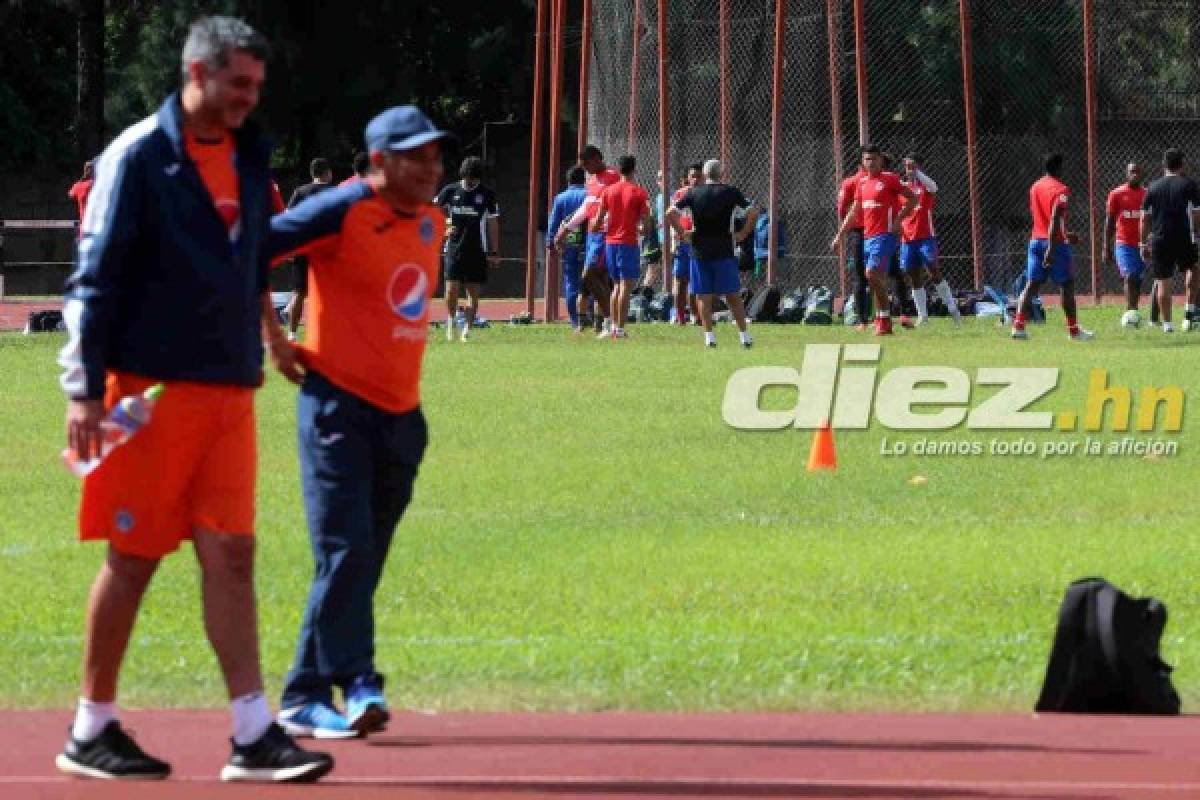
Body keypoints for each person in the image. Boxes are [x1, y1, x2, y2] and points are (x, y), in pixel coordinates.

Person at [55, 16, 332, 783]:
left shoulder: (246, 154)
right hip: (148, 389)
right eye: (239, 84)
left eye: (257, 86)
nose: (250, 99)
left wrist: (272, 337)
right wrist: (82, 393)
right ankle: (91, 728)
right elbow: (94, 277)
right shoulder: (139, 156)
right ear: (197, 73)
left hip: (227, 390)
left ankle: (253, 733)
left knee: (234, 554)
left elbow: (244, 262)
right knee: (135, 556)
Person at [266, 104, 448, 740]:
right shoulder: (338, 210)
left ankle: (304, 691)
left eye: (435, 154)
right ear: (378, 161)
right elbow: (252, 251)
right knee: (343, 551)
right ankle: (360, 680)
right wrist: (273, 335)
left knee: (359, 560)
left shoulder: (433, 221)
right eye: (415, 155)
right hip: (337, 408)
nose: (430, 167)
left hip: (402, 417)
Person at [667, 159, 757, 348]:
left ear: (705, 175)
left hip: (699, 251)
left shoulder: (693, 193)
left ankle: (709, 337)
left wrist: (683, 234)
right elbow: (753, 212)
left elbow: (670, 213)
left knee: (703, 296)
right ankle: (744, 336)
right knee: (732, 294)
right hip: (725, 250)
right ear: (722, 173)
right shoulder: (731, 192)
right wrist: (742, 233)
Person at [830, 144, 916, 336]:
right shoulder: (861, 184)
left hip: (885, 235)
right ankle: (882, 319)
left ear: (880, 160)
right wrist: (839, 235)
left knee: (871, 273)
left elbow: (912, 200)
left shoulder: (890, 179)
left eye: (874, 159)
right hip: (867, 236)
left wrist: (898, 220)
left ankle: (885, 319)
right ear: (862, 162)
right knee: (875, 278)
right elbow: (854, 211)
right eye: (867, 159)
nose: (871, 162)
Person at [1011, 153, 1092, 341]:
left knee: (1031, 285)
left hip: (1035, 241)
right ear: (1058, 168)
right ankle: (1074, 331)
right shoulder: (1061, 190)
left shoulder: (1035, 186)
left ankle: (1018, 326)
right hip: (1053, 244)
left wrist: (1064, 234)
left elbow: (1044, 217)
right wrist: (1052, 246)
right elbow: (1055, 217)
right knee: (1067, 285)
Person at [556, 145, 620, 336]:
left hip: (604, 234)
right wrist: (565, 230)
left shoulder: (613, 177)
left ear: (597, 159)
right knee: (598, 279)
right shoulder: (591, 182)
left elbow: (618, 204)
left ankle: (610, 321)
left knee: (588, 275)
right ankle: (607, 324)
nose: (585, 169)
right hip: (592, 237)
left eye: (587, 164)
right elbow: (586, 208)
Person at [435, 156, 500, 341]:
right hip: (453, 248)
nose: (471, 182)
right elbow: (431, 211)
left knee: (472, 292)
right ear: (463, 175)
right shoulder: (450, 191)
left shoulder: (487, 194)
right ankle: (451, 320)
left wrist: (494, 251)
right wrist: (445, 227)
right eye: (468, 178)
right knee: (451, 289)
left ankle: (467, 330)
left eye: (475, 179)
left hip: (477, 249)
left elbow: (493, 222)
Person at [592, 154, 652, 339]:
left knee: (616, 286)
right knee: (626, 286)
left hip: (611, 243)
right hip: (628, 243)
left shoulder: (608, 191)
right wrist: (641, 229)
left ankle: (611, 325)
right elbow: (646, 225)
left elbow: (596, 223)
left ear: (619, 169)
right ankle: (620, 328)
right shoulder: (639, 192)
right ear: (634, 169)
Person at [1140, 148, 1200, 332]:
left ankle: (1167, 325)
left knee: (1163, 281)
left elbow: (1144, 218)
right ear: (1182, 164)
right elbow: (1197, 213)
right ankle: (1189, 312)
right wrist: (1196, 233)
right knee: (1193, 268)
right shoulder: (1189, 185)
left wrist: (1142, 243)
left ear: (1163, 165)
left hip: (1160, 239)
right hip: (1183, 237)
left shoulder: (1153, 186)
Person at [900, 153, 961, 326]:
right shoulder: (902, 188)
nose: (909, 170)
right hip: (907, 239)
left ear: (920, 167)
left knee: (933, 271)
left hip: (926, 237)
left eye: (913, 166)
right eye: (907, 167)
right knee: (914, 276)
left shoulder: (925, 187)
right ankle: (923, 316)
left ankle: (953, 309)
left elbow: (934, 187)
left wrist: (917, 173)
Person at [282, 157, 336, 342]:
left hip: (304, 247)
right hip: (327, 249)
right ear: (327, 173)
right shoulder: (335, 192)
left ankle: (291, 334)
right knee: (328, 293)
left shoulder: (300, 191)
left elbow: (288, 219)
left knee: (299, 291)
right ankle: (326, 332)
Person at [1102, 162, 1147, 328]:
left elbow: (1151, 220)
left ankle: (1134, 310)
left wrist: (1148, 242)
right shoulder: (1116, 194)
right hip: (1123, 244)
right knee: (1129, 277)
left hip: (1141, 245)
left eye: (1137, 171)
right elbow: (1109, 221)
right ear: (1126, 174)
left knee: (1138, 279)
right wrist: (1106, 247)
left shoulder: (1147, 194)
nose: (1134, 174)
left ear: (1141, 174)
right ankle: (1130, 312)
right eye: (1131, 172)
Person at [546, 165, 589, 332]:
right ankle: (587, 316)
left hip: (568, 245)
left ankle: (574, 321)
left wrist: (551, 242)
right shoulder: (588, 195)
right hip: (588, 243)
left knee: (571, 283)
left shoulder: (561, 198)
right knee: (590, 281)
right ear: (584, 179)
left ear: (568, 180)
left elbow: (554, 221)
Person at [836, 161, 868, 330]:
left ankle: (863, 319)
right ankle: (882, 316)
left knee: (861, 277)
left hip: (861, 233)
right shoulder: (852, 183)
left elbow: (841, 209)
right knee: (880, 275)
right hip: (879, 233)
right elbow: (843, 208)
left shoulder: (850, 182)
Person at [670, 163, 702, 324]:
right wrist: (679, 235)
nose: (695, 179)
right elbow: (671, 216)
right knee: (680, 281)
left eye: (698, 176)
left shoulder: (706, 194)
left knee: (695, 281)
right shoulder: (680, 194)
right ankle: (680, 317)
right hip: (683, 243)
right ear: (687, 178)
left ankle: (696, 316)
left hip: (700, 242)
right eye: (692, 176)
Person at [67, 161, 95, 239]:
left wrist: (81, 179)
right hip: (96, 226)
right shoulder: (95, 184)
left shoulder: (78, 186)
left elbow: (70, 194)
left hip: (84, 228)